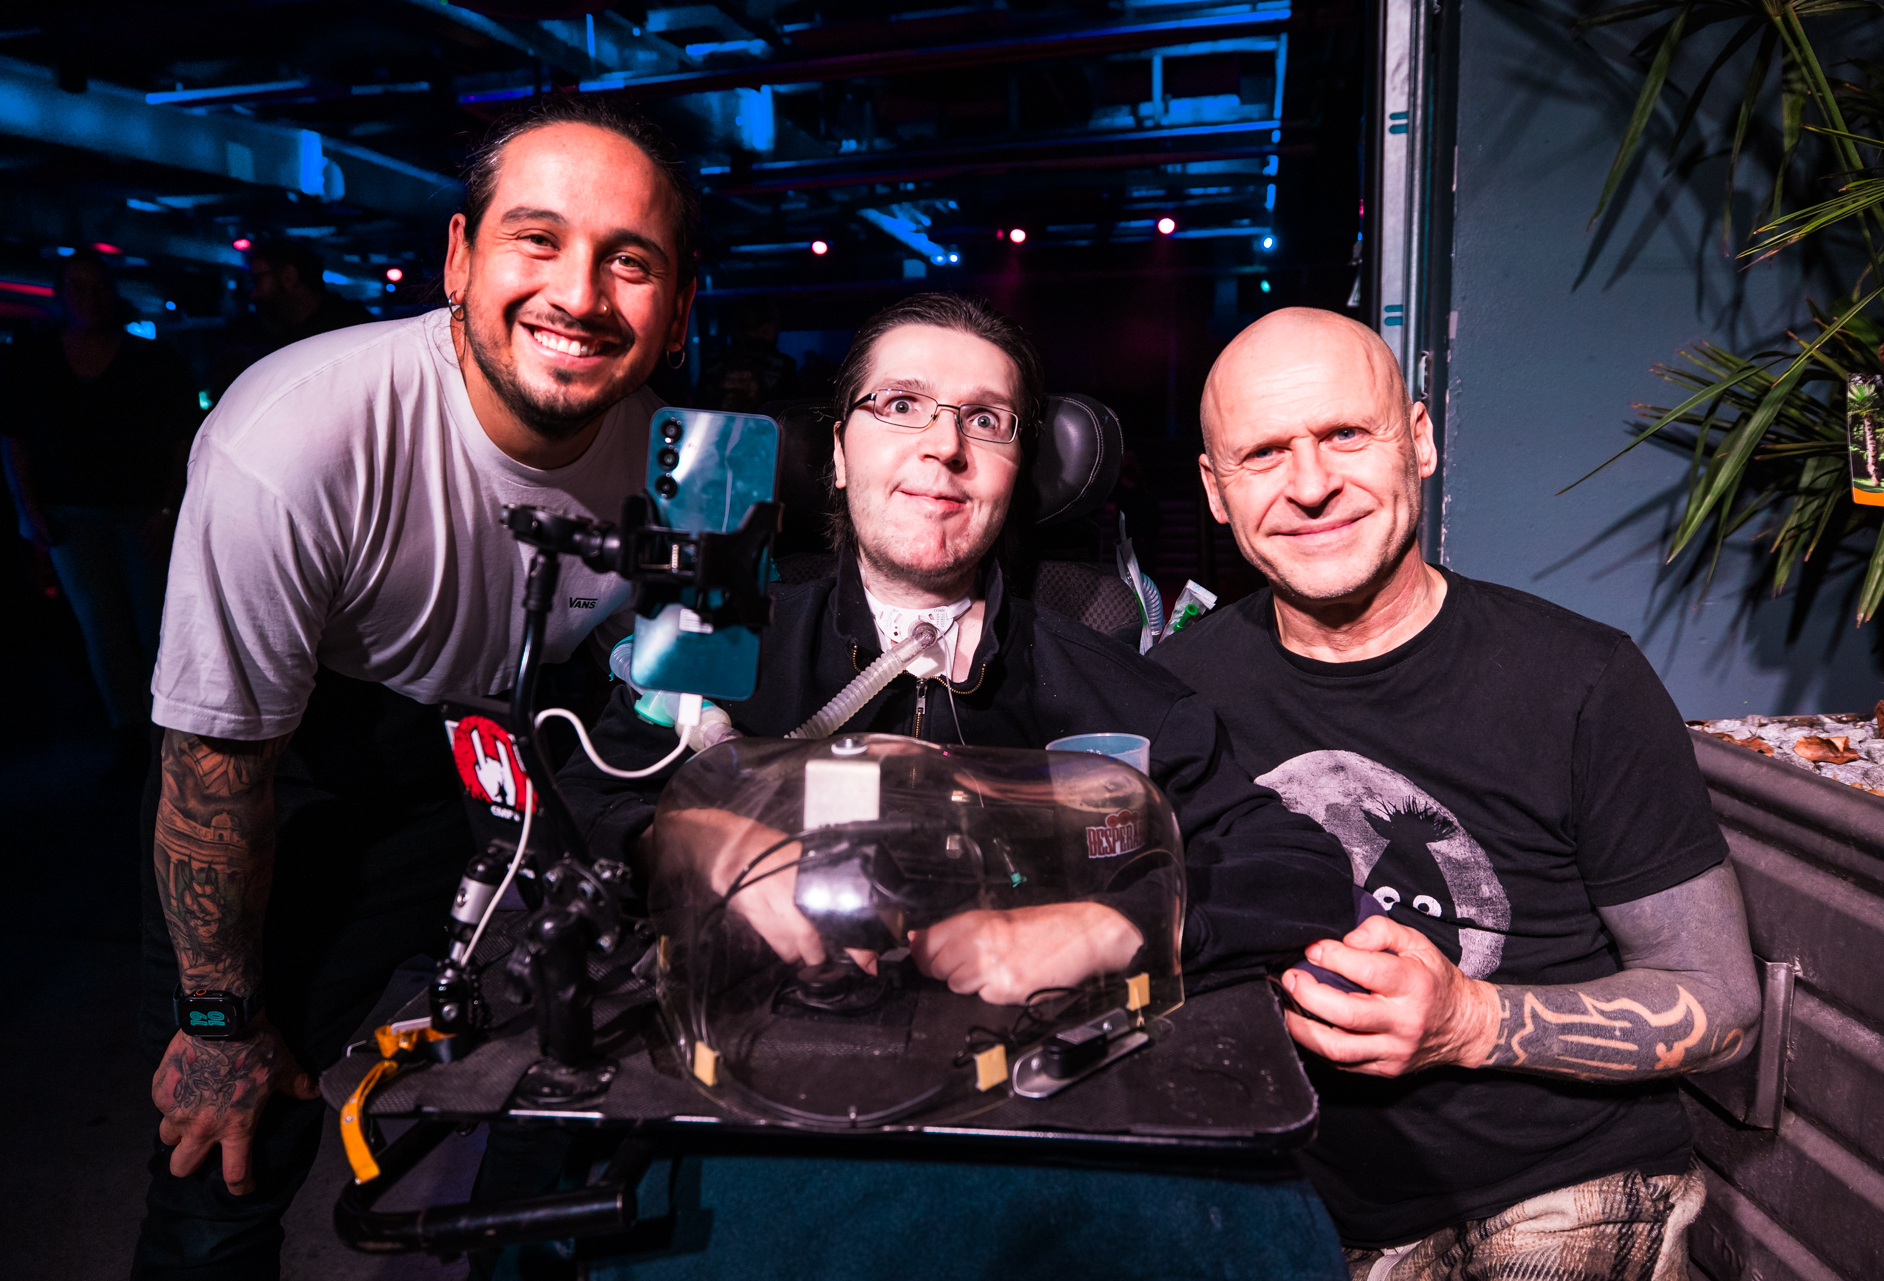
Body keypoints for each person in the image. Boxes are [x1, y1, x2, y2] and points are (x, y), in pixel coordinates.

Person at [134, 97, 698, 1280]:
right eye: (537, 239)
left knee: (585, 1082)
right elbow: (215, 771)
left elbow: (683, 697)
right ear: (458, 258)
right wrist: (219, 1022)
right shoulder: (296, 437)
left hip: (524, 747)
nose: (579, 294)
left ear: (679, 307)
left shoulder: (682, 463)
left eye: (630, 261)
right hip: (318, 761)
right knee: (232, 1137)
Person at [1151, 307, 1761, 1281]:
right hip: (1288, 1193)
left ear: (1420, 442)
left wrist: (1470, 1021)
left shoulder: (1581, 680)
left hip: (1559, 1185)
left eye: (1346, 434)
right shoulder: (1175, 695)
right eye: (1263, 453)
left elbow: (1722, 999)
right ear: (1216, 492)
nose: (1310, 484)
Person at [561, 291, 1353, 1011]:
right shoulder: (723, 648)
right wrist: (683, 837)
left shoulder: (1109, 687)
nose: (944, 444)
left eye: (986, 419)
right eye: (900, 404)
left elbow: (1299, 870)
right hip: (753, 1071)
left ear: (1016, 470)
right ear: (838, 453)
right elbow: (572, 810)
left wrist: (1115, 925)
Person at [0, 249, 196, 766]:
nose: (87, 297)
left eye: (97, 286)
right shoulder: (34, 360)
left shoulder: (151, 359)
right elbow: (15, 438)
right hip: (71, 513)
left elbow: (183, 438)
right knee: (100, 627)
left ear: (113, 294)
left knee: (157, 625)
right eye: (76, 287)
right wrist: (28, 509)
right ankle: (128, 729)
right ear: (61, 296)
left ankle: (168, 726)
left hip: (142, 510)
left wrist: (170, 509)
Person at [246, 238, 372, 344]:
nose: (253, 294)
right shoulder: (349, 322)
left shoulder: (349, 326)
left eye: (257, 280)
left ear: (289, 277)